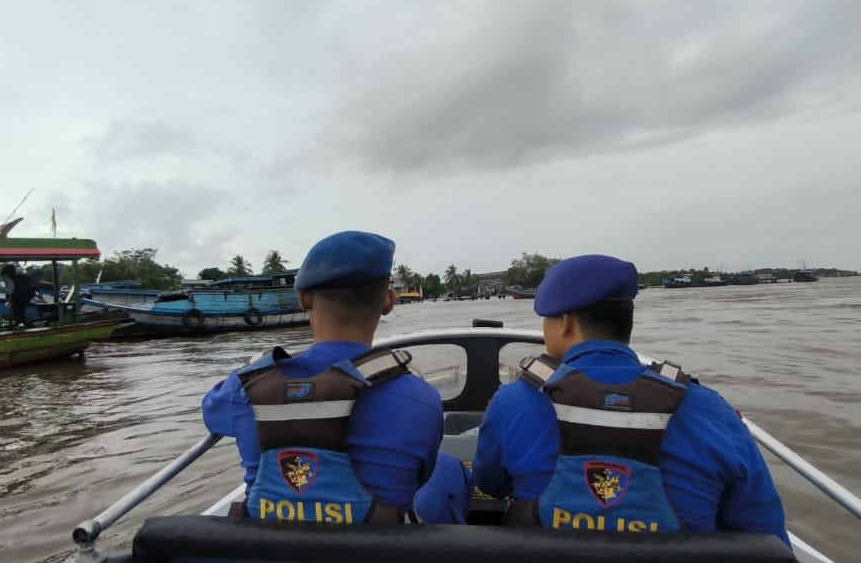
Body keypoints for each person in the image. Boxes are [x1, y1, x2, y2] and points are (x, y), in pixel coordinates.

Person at [470, 254, 790, 547]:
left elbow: (490, 485)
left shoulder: (512, 403)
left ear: (565, 322)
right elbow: (766, 539)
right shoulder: (713, 411)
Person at [202, 230, 443, 523]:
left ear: (304, 299)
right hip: (378, 545)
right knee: (448, 470)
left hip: (267, 545)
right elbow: (422, 476)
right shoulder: (423, 399)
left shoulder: (243, 387)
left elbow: (211, 414)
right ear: (389, 301)